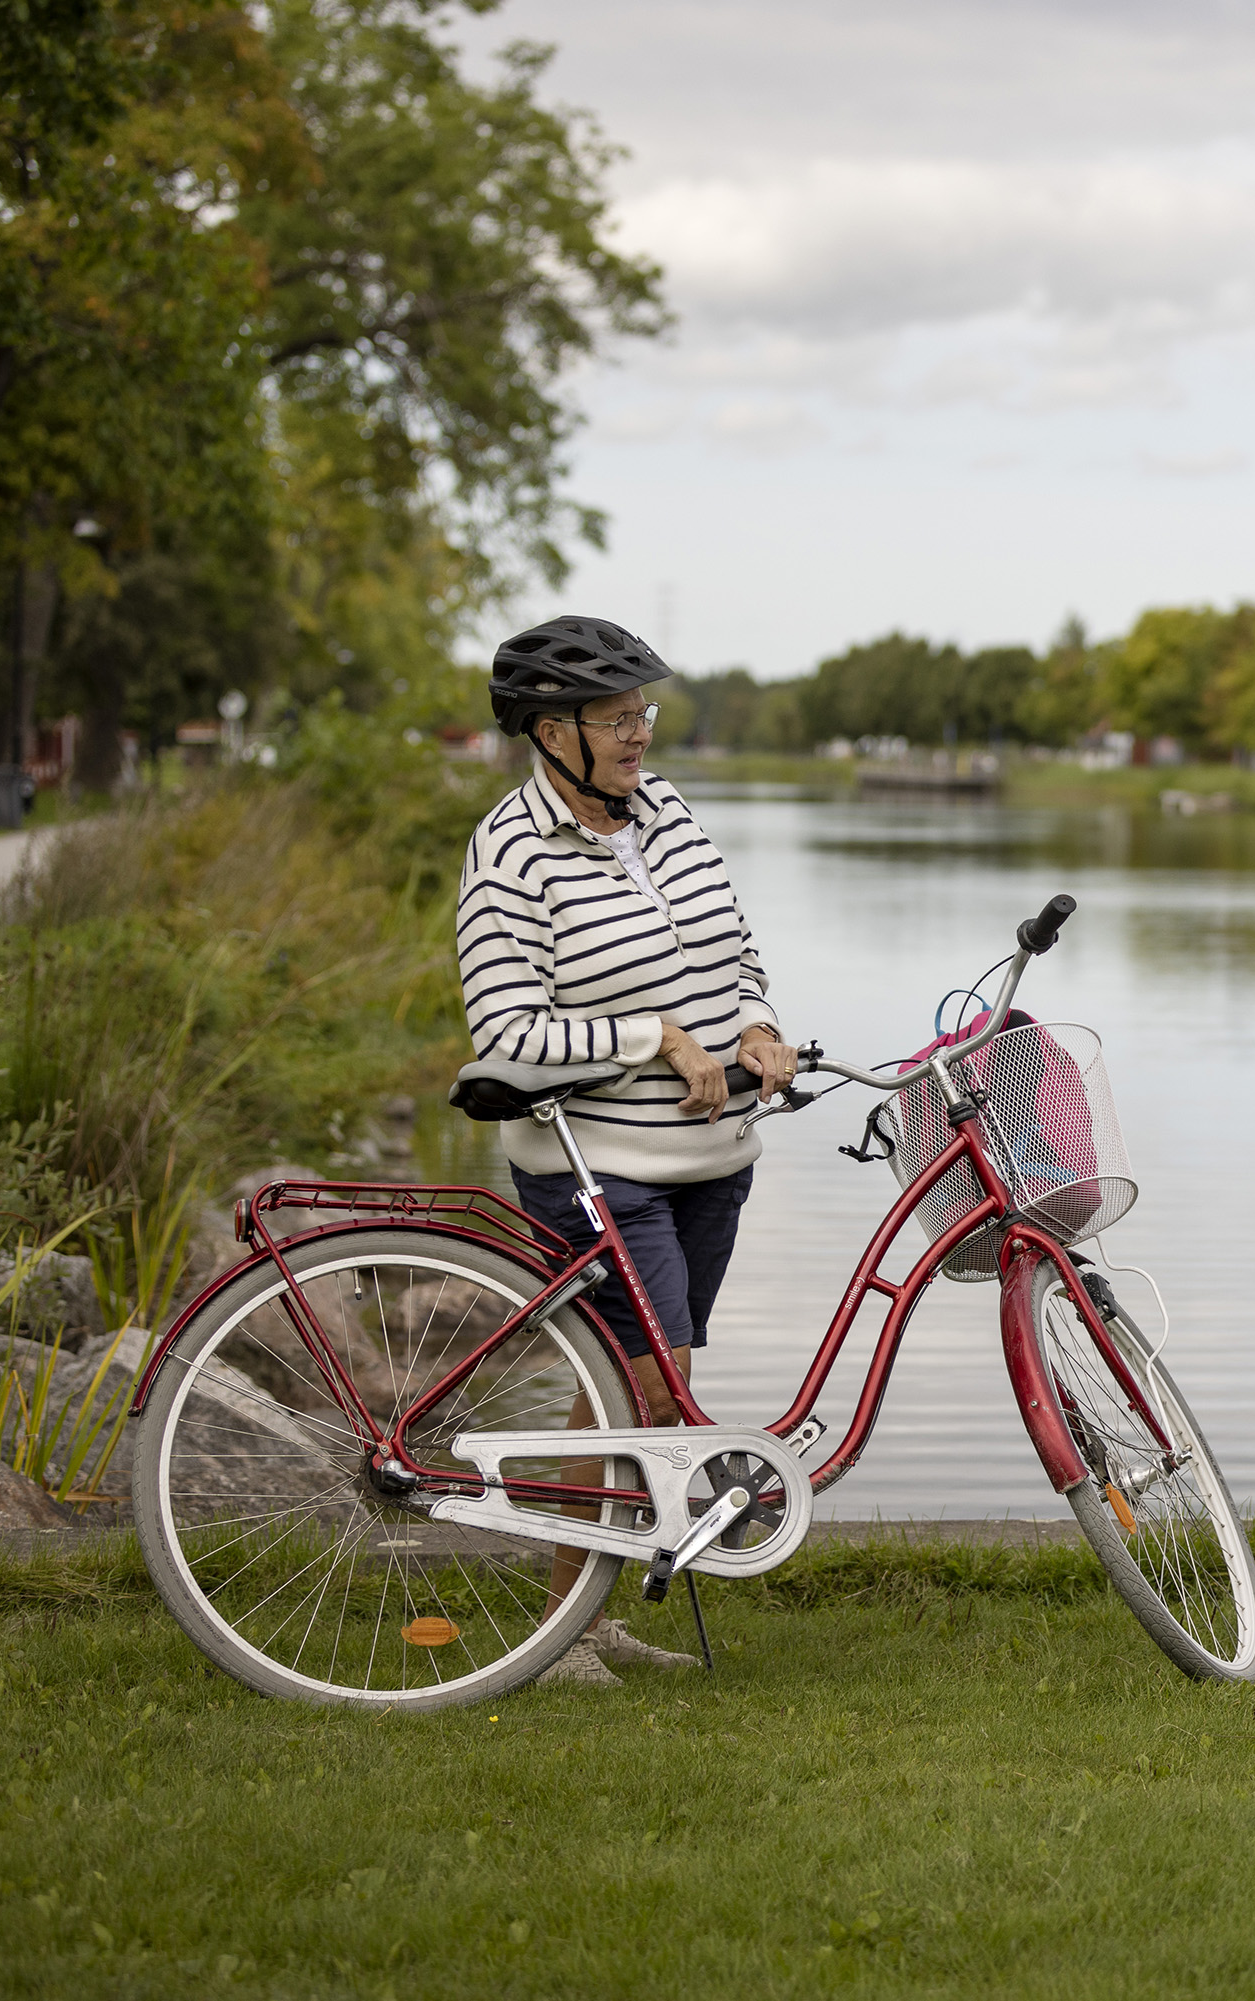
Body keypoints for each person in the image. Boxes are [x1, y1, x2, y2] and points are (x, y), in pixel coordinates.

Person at [456, 614, 802, 1686]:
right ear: (549, 731)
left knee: (623, 1393)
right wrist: (655, 1037)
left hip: (712, 1159)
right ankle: (564, 1634)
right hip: (595, 1167)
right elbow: (506, 1032)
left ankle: (577, 1621)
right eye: (613, 718)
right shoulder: (509, 854)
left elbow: (736, 949)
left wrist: (756, 1025)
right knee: (653, 1392)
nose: (638, 733)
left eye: (641, 712)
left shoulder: (670, 813)